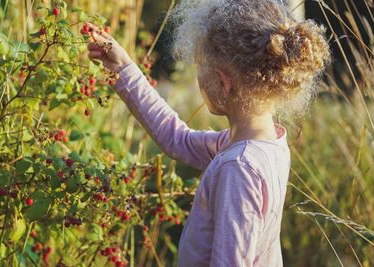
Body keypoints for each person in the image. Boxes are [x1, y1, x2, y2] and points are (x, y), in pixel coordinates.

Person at [86, 0, 331, 266]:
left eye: (201, 69)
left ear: (223, 83)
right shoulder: (264, 143)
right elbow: (177, 139)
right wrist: (123, 68)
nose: (198, 78)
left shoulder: (238, 167)